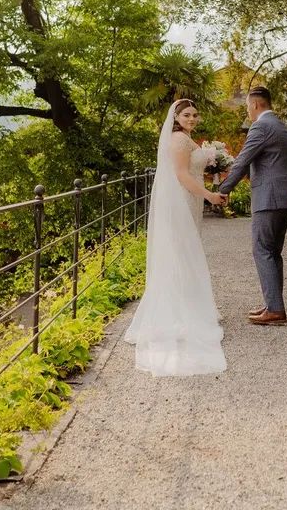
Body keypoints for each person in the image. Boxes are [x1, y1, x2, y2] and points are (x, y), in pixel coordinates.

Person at [124, 99, 228, 376]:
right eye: (186, 114)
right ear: (177, 117)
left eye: (195, 114)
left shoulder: (187, 139)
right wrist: (209, 195)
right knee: (182, 253)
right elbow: (181, 174)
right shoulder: (179, 141)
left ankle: (186, 307)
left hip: (189, 202)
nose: (192, 118)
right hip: (182, 201)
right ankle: (180, 314)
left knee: (185, 252)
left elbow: (193, 170)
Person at [217, 86, 287, 326]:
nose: (248, 111)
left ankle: (275, 309)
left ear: (255, 105)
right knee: (272, 252)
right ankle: (273, 305)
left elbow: (242, 161)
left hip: (268, 200)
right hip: (285, 201)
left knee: (262, 249)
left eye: (247, 107)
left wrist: (221, 191)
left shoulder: (261, 126)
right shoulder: (284, 128)